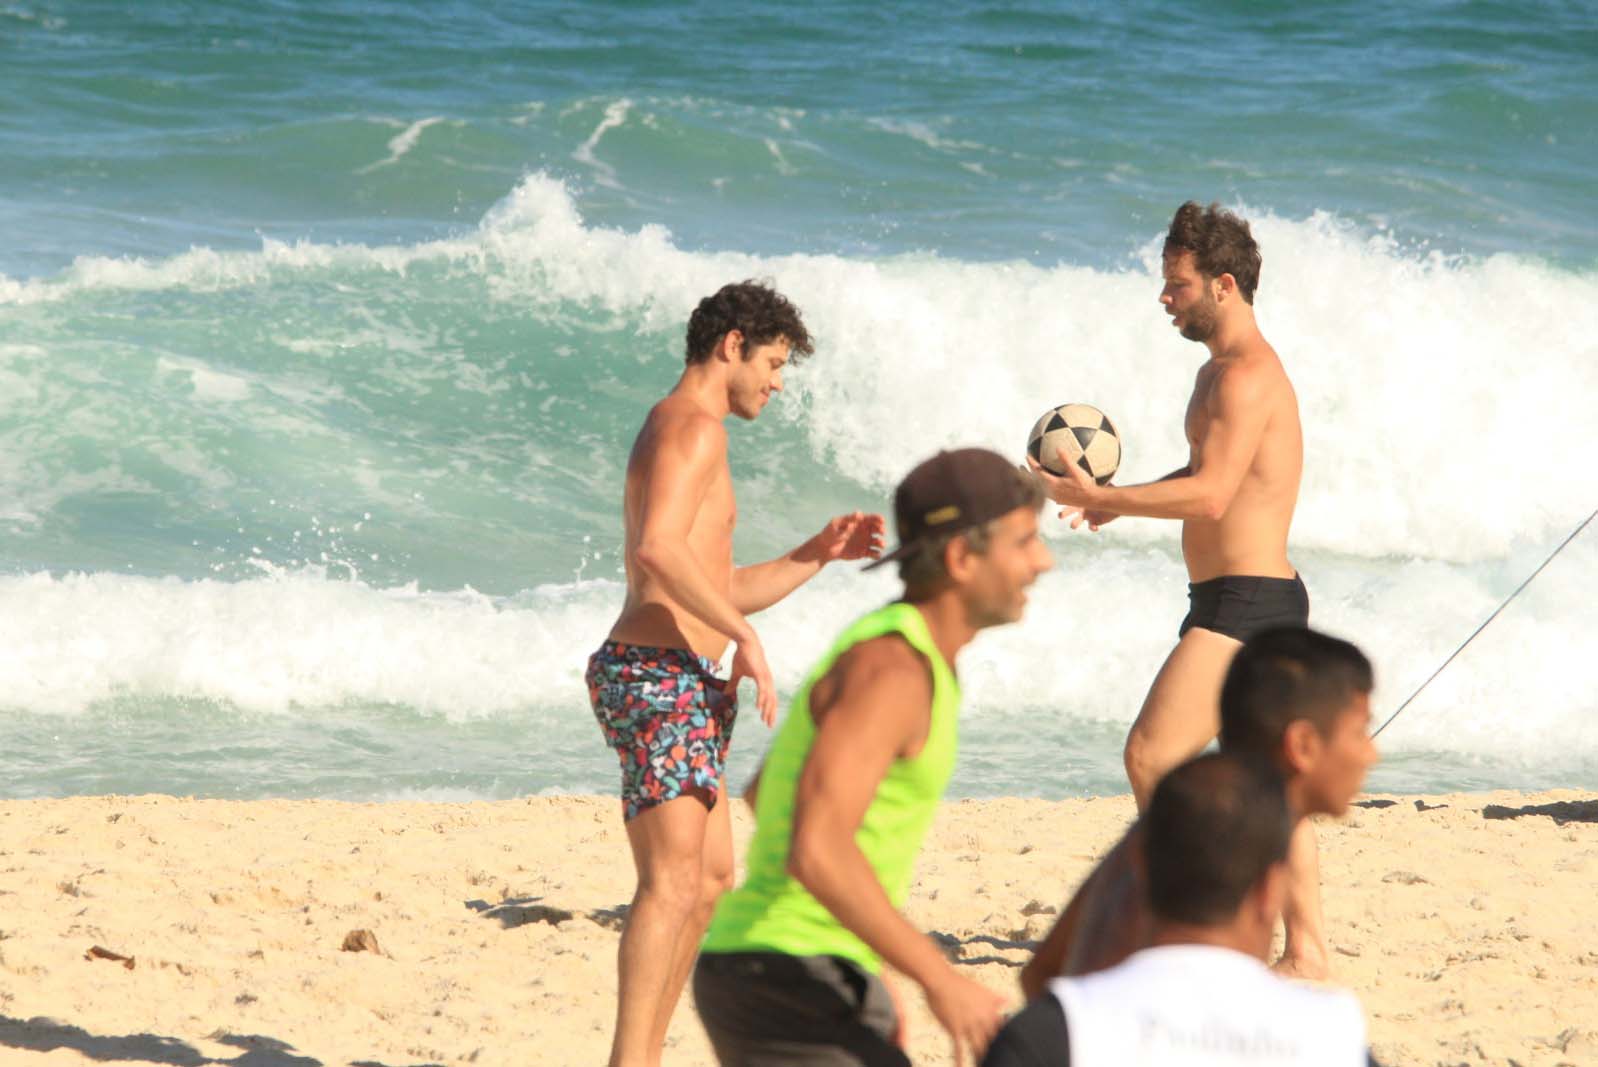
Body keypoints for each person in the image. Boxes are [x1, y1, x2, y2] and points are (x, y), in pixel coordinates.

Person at [585, 279, 887, 1067]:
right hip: (655, 674)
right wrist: (740, 634)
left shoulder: (686, 427)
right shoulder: (691, 428)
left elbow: (706, 582)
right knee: (671, 882)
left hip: (680, 675)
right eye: (775, 363)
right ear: (731, 346)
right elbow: (658, 549)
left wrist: (812, 555)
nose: (778, 382)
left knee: (711, 876)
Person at [1028, 201, 1329, 975]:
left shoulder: (1250, 378)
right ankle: (1303, 948)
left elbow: (1215, 495)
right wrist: (1120, 498)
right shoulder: (1215, 372)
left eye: (1178, 285)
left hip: (1248, 603)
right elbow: (1199, 478)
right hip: (1235, 597)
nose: (1165, 298)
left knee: (1150, 756)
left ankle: (1191, 916)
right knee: (1264, 785)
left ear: (1223, 285)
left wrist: (1105, 499)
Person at [694, 448, 1053, 1067]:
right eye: (1024, 543)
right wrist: (939, 979)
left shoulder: (903, 655)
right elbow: (815, 847)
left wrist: (867, 959)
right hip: (783, 976)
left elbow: (765, 793)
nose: (1042, 562)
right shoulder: (893, 669)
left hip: (796, 969)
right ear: (963, 558)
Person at [1019, 627, 1378, 993]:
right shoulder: (1334, 1025)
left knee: (1153, 758)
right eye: (1360, 735)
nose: (1372, 755)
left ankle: (1191, 927)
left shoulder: (1333, 1025)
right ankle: (1300, 946)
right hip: (1224, 599)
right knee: (1273, 780)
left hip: (1240, 600)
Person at [985, 752, 1378, 1066]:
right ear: (1272, 890)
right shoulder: (1334, 1039)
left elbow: (1041, 978)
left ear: (1139, 867)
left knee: (1149, 752)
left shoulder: (1054, 1032)